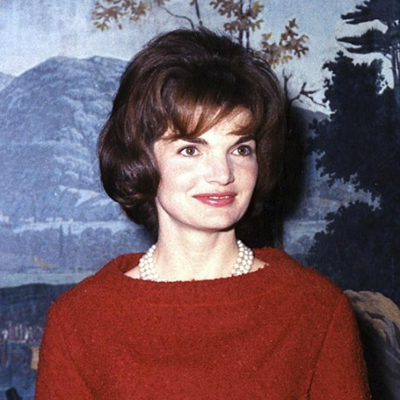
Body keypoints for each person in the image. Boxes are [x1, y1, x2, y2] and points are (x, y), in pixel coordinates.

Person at [35, 28, 370, 399]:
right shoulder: (80, 321)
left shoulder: (315, 309)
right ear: (140, 159)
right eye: (191, 150)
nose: (223, 174)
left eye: (241, 149)